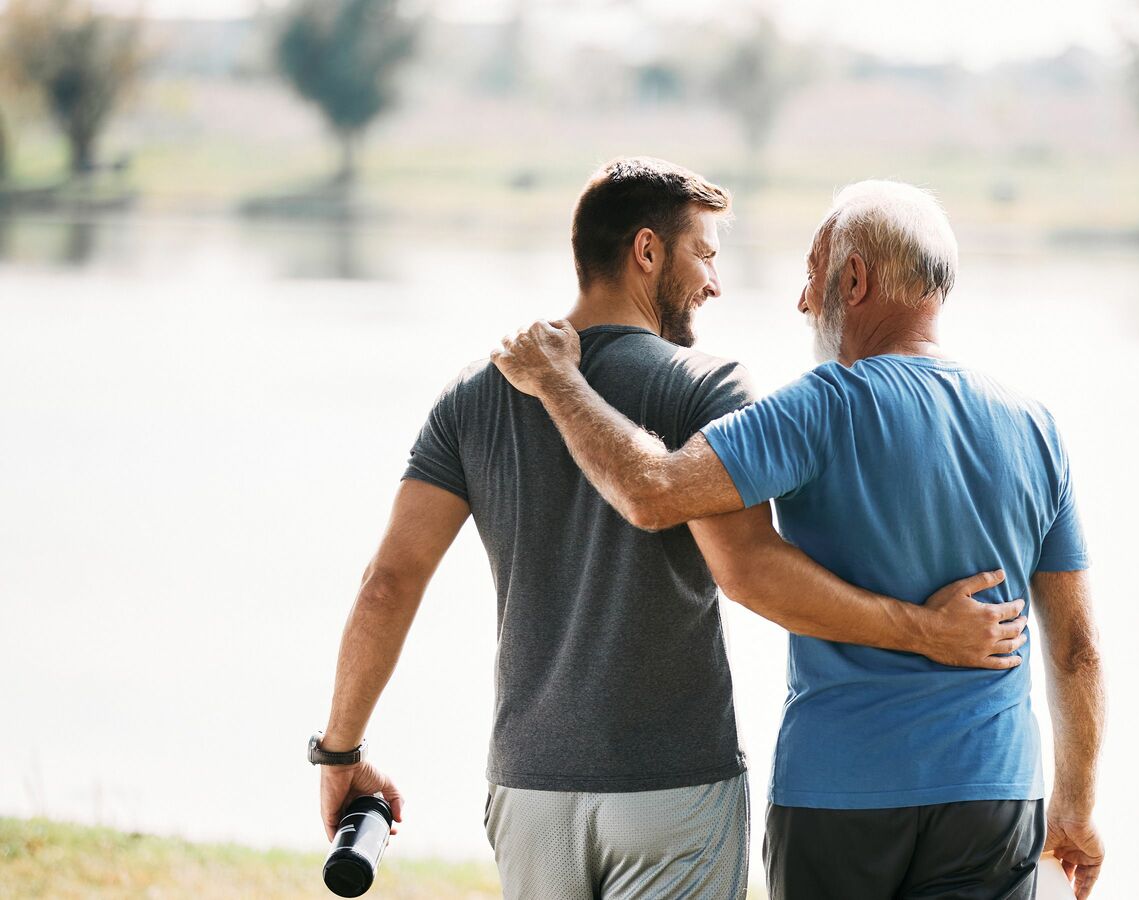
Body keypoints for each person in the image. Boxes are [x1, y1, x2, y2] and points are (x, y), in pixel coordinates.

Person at [308, 158, 1028, 900]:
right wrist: (925, 630)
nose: (715, 282)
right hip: (673, 786)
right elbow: (749, 570)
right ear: (647, 251)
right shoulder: (708, 387)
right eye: (705, 255)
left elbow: (386, 585)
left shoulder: (478, 393)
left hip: (528, 789)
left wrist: (340, 755)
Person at [493, 180, 1108, 899]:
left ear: (854, 278)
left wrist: (558, 382)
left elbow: (652, 492)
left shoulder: (819, 408)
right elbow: (1076, 648)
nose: (803, 299)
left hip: (839, 794)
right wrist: (1076, 807)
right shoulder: (1035, 426)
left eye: (813, 272)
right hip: (994, 793)